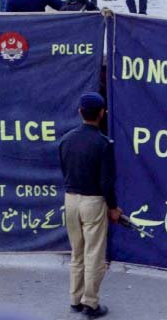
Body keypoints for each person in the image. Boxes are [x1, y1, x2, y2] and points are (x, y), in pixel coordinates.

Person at [58, 92, 121, 318]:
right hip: (93, 202)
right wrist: (113, 208)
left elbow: (64, 170)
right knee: (93, 254)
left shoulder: (66, 140)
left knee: (77, 252)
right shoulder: (103, 144)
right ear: (102, 114)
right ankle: (91, 304)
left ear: (80, 113)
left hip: (71, 199)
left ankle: (75, 299)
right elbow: (106, 182)